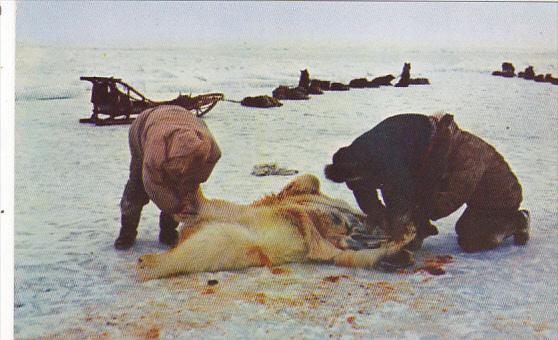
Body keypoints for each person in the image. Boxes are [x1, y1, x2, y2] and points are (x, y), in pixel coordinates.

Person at [324, 113, 530, 254]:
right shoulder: (360, 156)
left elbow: (453, 197)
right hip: (475, 197)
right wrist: (382, 218)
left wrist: (415, 218)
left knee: (470, 238)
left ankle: (517, 220)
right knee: (421, 194)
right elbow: (371, 185)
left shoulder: (469, 154)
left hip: (501, 198)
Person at [115, 105, 221, 250]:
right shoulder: (155, 148)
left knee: (182, 188)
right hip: (143, 126)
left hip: (179, 118)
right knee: (137, 187)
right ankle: (127, 233)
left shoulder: (209, 147)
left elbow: (199, 177)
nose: (183, 168)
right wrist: (176, 208)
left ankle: (168, 231)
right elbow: (152, 184)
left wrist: (189, 191)